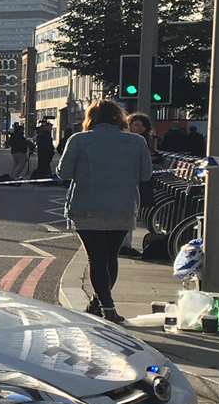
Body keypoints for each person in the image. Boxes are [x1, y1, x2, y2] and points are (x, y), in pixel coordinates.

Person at [57, 100, 155, 322]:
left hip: (86, 208)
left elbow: (63, 173)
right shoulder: (137, 141)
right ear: (119, 118)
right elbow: (146, 175)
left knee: (96, 259)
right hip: (122, 207)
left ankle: (107, 307)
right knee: (110, 257)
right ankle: (98, 304)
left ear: (91, 117)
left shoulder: (79, 140)